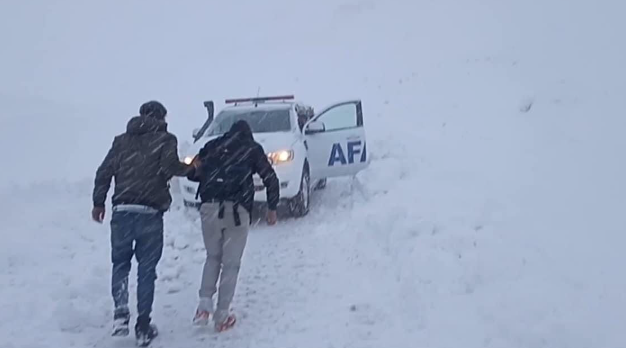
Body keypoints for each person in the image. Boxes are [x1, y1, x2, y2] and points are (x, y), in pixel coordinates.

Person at [91, 101, 192, 346]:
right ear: (162, 116)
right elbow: (169, 167)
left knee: (120, 263)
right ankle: (143, 326)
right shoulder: (166, 139)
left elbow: (103, 172)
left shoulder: (121, 141)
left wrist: (99, 203)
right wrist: (191, 168)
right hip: (150, 213)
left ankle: (121, 314)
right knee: (146, 270)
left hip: (122, 211)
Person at [187, 120, 279, 332]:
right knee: (231, 264)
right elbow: (270, 178)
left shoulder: (212, 146)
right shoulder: (251, 148)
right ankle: (221, 316)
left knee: (212, 257)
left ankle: (203, 307)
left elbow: (191, 173)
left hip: (209, 208)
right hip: (237, 212)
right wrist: (272, 208)